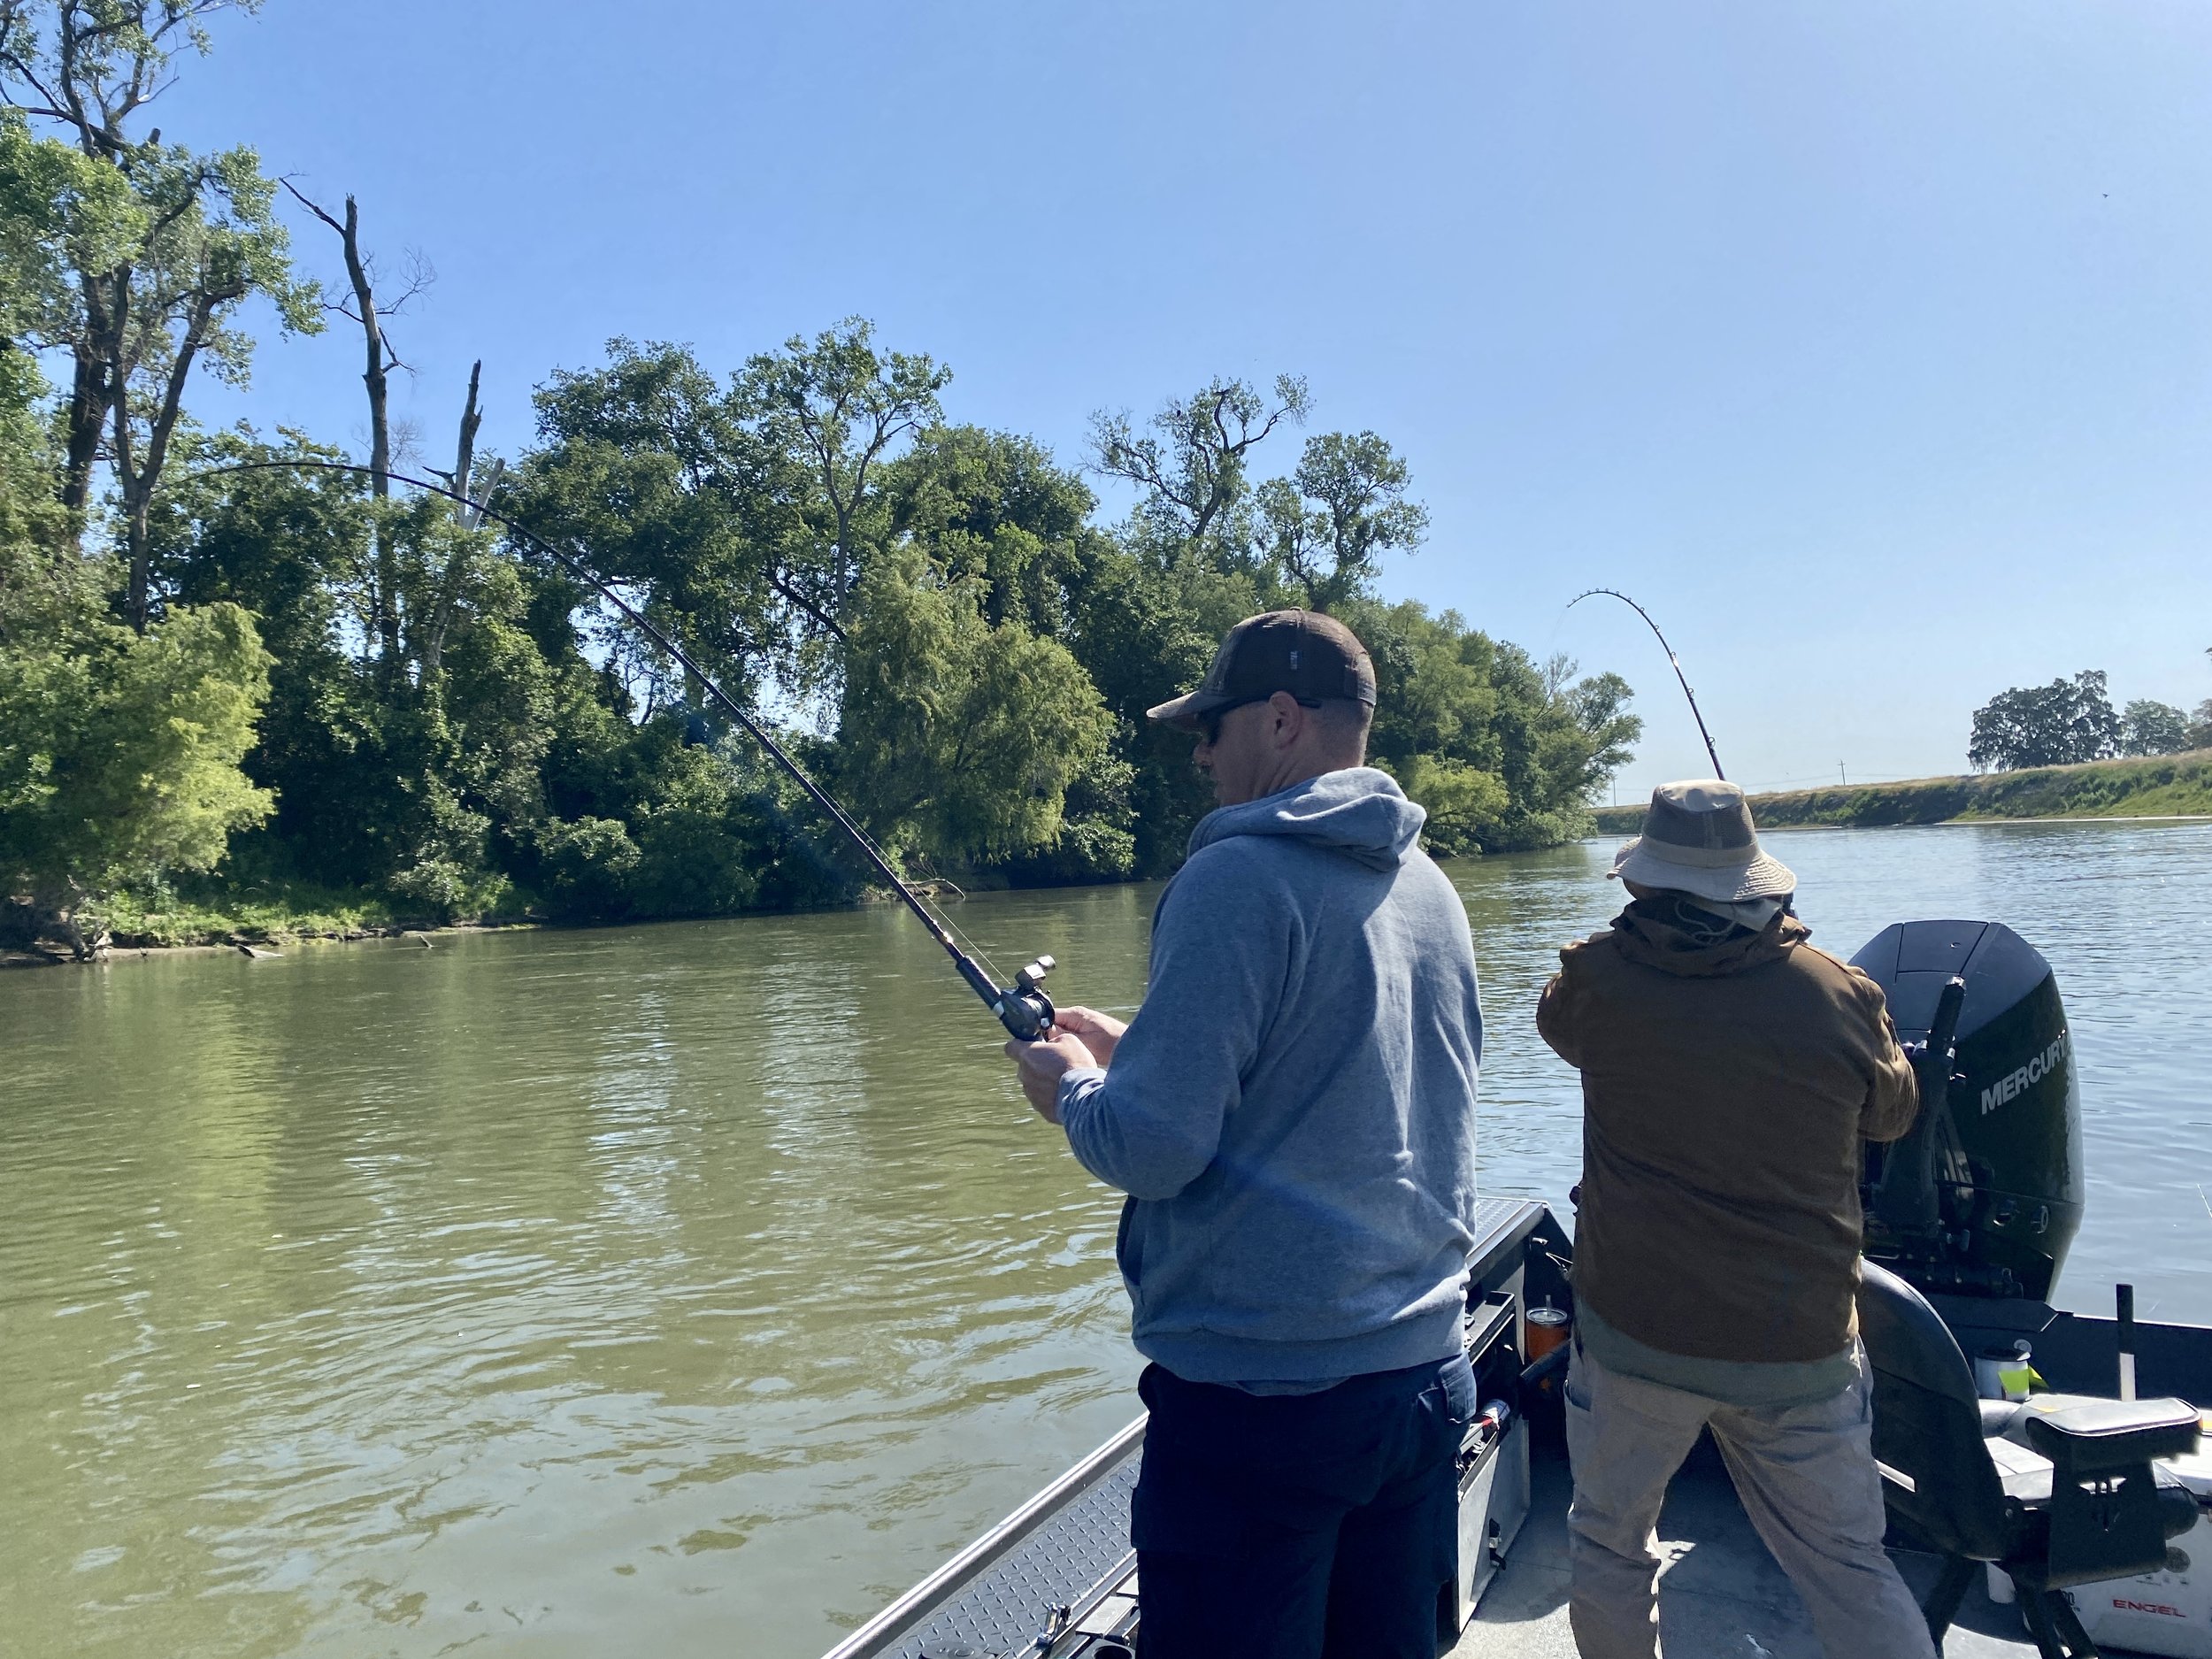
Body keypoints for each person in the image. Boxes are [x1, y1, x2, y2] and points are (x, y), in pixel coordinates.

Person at [1003, 609, 1484, 1659]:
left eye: (1209, 727)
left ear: (1277, 720)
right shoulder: (1430, 889)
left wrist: (1073, 1087)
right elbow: (1353, 1085)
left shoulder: (1233, 877)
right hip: (1421, 1384)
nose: (1200, 754)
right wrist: (1142, 1049)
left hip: (1265, 1414)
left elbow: (1152, 1152)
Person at [1536, 779, 1933, 1659]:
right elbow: (1893, 1114)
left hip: (1634, 1332)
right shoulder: (1838, 993)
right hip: (1796, 1343)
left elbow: (1561, 1030)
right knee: (1846, 1565)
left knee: (1608, 1546)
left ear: (1642, 882)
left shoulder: (1592, 982)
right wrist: (1803, 965)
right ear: (1755, 882)